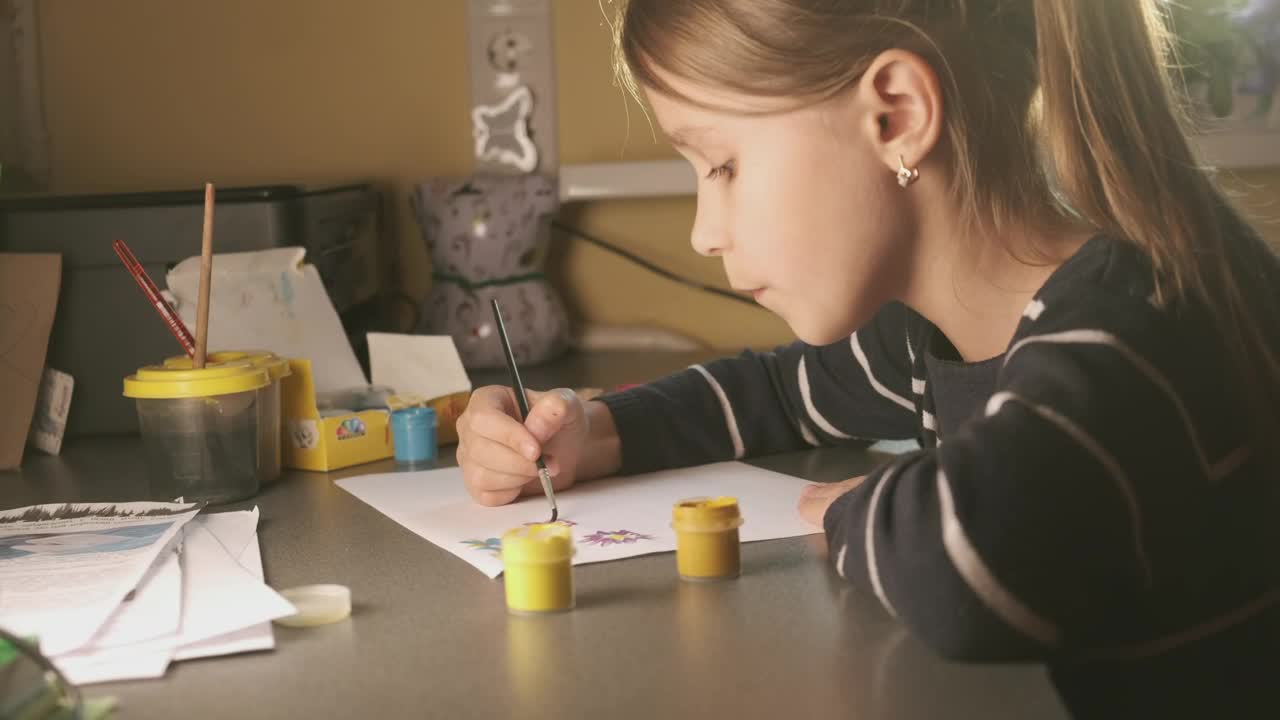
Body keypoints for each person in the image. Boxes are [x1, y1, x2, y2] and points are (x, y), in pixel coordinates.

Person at [456, 1, 1280, 716]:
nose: (705, 232)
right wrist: (595, 431)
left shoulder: (1136, 329)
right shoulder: (925, 334)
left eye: (724, 165)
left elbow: (967, 562)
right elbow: (779, 391)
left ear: (895, 115)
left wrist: (853, 505)